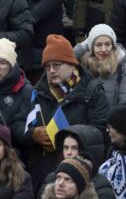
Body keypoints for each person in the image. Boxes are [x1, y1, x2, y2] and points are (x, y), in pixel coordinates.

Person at [21, 34, 109, 187]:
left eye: (56, 65)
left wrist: (67, 139)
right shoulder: (36, 91)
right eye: (47, 66)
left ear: (72, 64)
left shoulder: (92, 91)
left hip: (75, 170)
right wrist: (33, 135)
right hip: (41, 170)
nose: (52, 70)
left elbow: (99, 133)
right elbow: (18, 123)